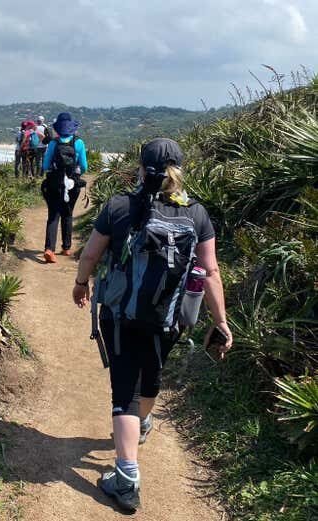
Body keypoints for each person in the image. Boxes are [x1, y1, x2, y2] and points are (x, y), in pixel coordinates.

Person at [71, 138, 233, 512]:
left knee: (124, 392)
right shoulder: (196, 214)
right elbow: (211, 272)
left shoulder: (119, 206)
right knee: (151, 375)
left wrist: (81, 283)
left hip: (121, 315)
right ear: (180, 171)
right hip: (170, 317)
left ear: (141, 168)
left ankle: (126, 479)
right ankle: (142, 423)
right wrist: (221, 321)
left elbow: (91, 254)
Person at [41, 113, 88, 262]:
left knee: (53, 215)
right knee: (67, 214)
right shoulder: (79, 142)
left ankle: (49, 249)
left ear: (58, 128)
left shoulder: (53, 143)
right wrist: (75, 173)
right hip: (72, 184)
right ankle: (66, 247)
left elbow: (45, 165)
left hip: (55, 183)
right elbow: (84, 166)